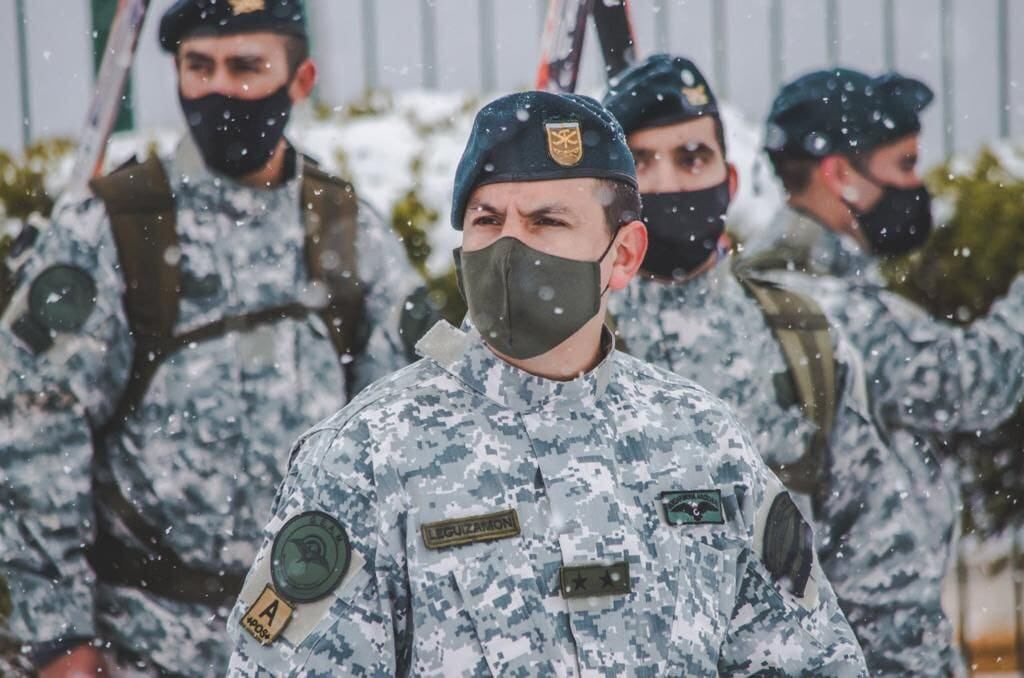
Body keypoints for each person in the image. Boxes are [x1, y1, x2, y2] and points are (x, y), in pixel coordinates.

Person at [226, 90, 867, 676]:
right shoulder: (368, 455)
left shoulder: (700, 440)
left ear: (622, 256)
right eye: (486, 219)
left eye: (546, 222)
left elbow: (812, 657)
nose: (508, 246)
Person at [0, 0, 415, 674]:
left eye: (246, 66)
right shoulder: (111, 227)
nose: (219, 89)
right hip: (141, 645)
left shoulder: (346, 228)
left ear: (300, 79)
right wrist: (58, 637)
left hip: (313, 644)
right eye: (199, 66)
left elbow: (402, 431)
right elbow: (34, 430)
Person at [603, 54, 971, 675]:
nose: (667, 184)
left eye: (693, 157)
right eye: (641, 163)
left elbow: (881, 574)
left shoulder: (799, 337)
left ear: (732, 179)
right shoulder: (566, 351)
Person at [742, 67, 1024, 443]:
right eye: (905, 164)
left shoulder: (820, 282)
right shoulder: (816, 304)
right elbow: (972, 385)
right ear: (840, 174)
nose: (916, 185)